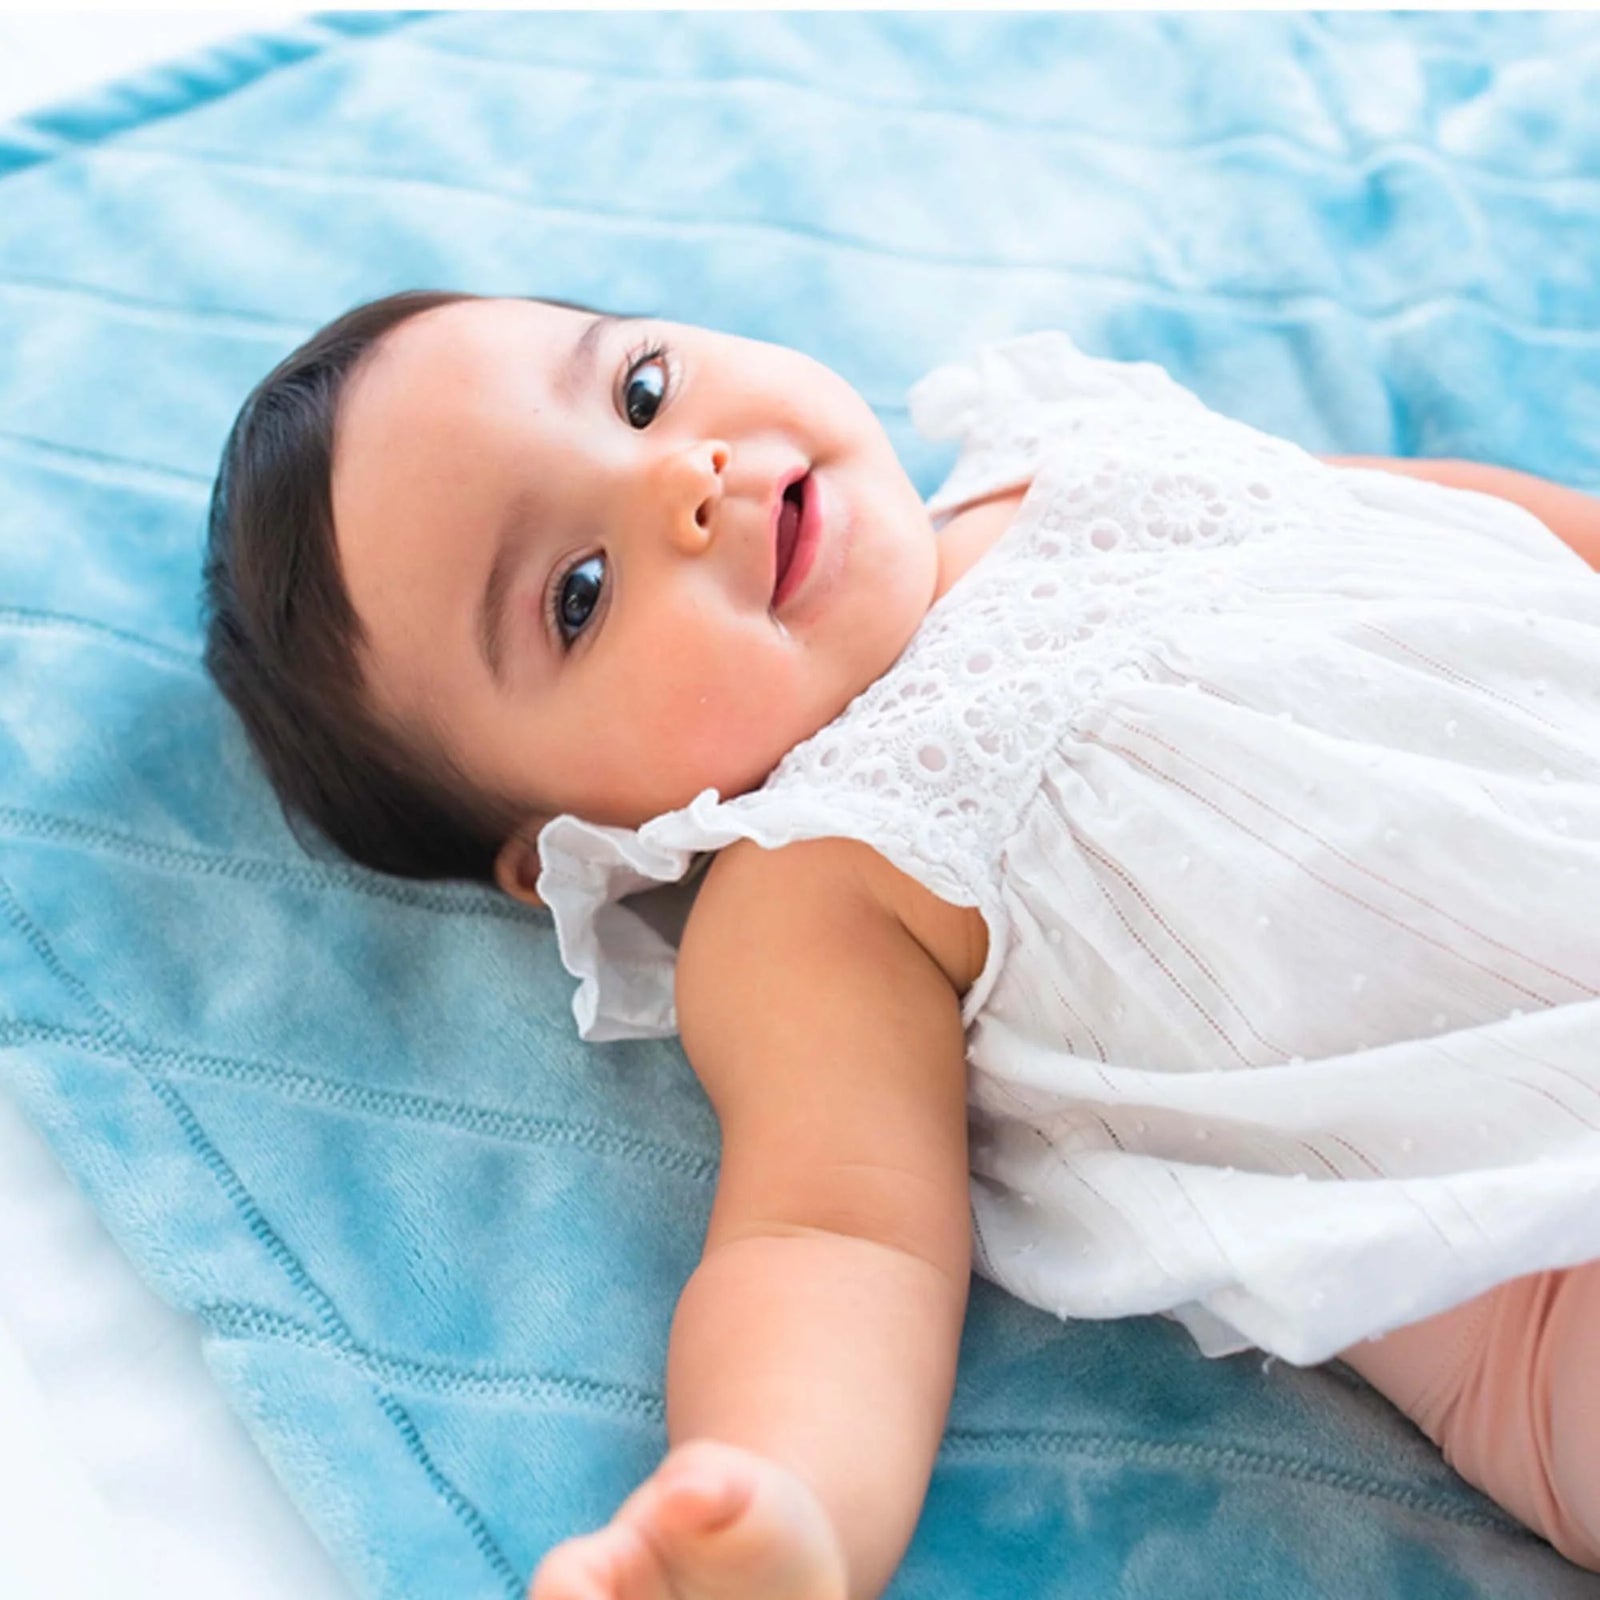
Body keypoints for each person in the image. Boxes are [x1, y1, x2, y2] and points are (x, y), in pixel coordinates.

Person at [202, 289, 1600, 1600]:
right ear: (560, 842)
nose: (677, 481)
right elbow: (835, 1237)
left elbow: (1481, 535)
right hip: (1536, 1253)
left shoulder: (1082, 450)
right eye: (578, 592)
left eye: (637, 388)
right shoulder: (819, 882)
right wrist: (775, 1491)